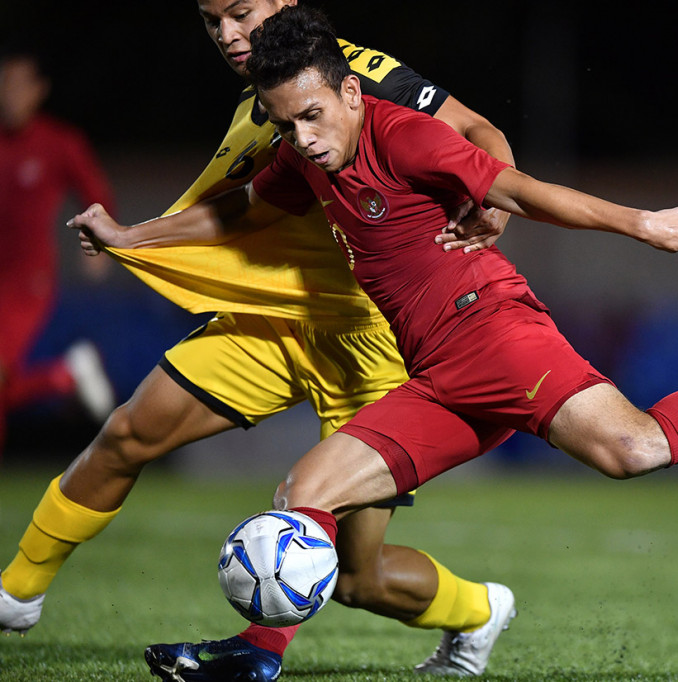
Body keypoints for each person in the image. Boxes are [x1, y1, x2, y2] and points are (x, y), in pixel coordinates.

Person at [71, 6, 678, 675]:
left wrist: (639, 223)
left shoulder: (403, 133)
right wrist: (132, 236)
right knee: (305, 491)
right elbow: (241, 208)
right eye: (286, 124)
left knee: (635, 451)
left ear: (352, 93)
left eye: (315, 116)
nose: (304, 139)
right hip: (434, 375)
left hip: (498, 336)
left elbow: (522, 186)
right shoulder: (305, 153)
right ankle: (255, 660)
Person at [0, 1, 517, 679]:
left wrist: (493, 201)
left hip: (369, 341)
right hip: (276, 321)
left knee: (359, 577)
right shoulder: (262, 102)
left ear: (284, 4)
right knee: (128, 434)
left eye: (241, 12)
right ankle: (15, 595)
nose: (228, 34)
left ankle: (478, 610)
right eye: (212, 21)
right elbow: (241, 207)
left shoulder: (355, 75)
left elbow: (479, 128)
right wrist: (132, 236)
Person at [0, 49, 117, 457]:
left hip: (25, 282)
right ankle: (62, 376)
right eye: (4, 84)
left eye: (19, 84)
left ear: (38, 90)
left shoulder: (58, 142)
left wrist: (100, 243)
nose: (10, 94)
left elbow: (96, 193)